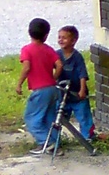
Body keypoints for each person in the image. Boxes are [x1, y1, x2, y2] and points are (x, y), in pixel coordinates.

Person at [16, 18, 63, 154]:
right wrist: (53, 78)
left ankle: (46, 142)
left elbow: (26, 67)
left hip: (39, 90)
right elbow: (59, 65)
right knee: (49, 118)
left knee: (32, 118)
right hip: (53, 89)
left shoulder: (27, 50)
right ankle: (55, 143)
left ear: (29, 32)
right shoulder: (49, 50)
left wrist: (19, 84)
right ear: (46, 35)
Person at [56, 25, 95, 140]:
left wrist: (82, 90)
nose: (60, 40)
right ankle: (54, 138)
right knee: (59, 116)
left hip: (77, 94)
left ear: (73, 41)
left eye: (64, 38)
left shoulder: (77, 57)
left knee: (84, 116)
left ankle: (88, 136)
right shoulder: (56, 55)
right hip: (63, 94)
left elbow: (82, 74)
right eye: (59, 37)